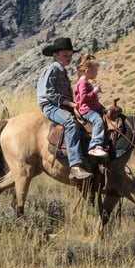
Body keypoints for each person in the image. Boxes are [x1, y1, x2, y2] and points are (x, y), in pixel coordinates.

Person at [36, 37, 93, 180]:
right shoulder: (53, 69)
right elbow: (49, 93)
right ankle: (75, 166)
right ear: (55, 55)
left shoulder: (62, 71)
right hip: (50, 106)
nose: (69, 58)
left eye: (70, 55)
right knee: (71, 123)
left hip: (61, 105)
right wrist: (70, 104)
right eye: (65, 55)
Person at [74, 54, 107, 158]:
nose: (96, 74)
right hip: (87, 110)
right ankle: (95, 146)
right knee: (98, 121)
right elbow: (83, 98)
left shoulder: (85, 82)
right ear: (88, 71)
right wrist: (94, 91)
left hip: (94, 107)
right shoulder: (83, 83)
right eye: (95, 71)